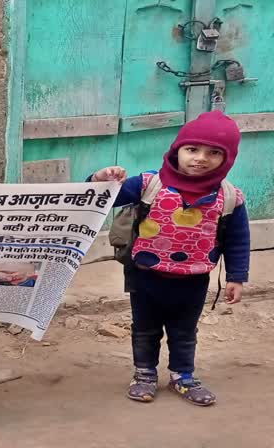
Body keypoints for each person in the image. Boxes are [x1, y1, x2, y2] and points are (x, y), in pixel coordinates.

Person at [90, 110, 250, 406]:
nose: (200, 158)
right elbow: (101, 198)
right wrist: (101, 179)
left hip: (193, 280)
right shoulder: (149, 184)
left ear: (227, 159)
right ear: (177, 150)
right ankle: (144, 375)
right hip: (145, 275)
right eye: (192, 149)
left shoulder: (229, 197)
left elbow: (238, 240)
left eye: (214, 153)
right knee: (145, 329)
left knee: (184, 331)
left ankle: (183, 376)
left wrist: (236, 277)